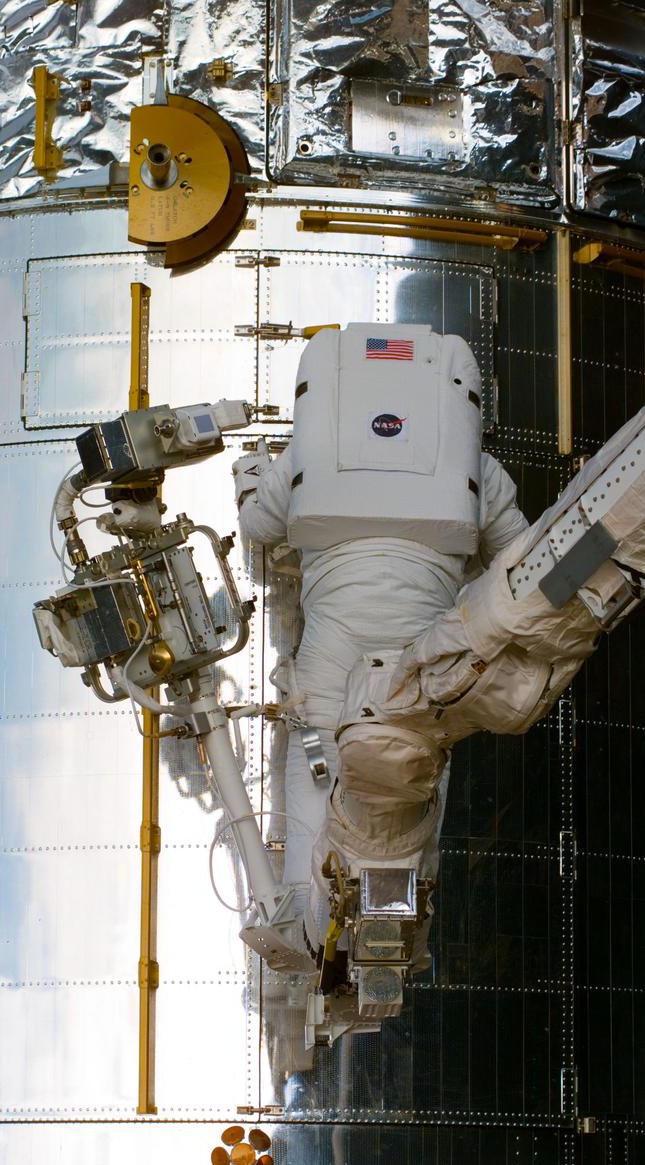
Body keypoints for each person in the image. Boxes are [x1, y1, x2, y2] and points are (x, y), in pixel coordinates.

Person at [232, 324, 529, 999]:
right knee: (407, 771)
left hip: (333, 636)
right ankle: (388, 930)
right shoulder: (474, 466)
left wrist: (253, 476)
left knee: (315, 756)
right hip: (423, 645)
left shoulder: (314, 447)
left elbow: (257, 527)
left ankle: (310, 929)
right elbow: (518, 559)